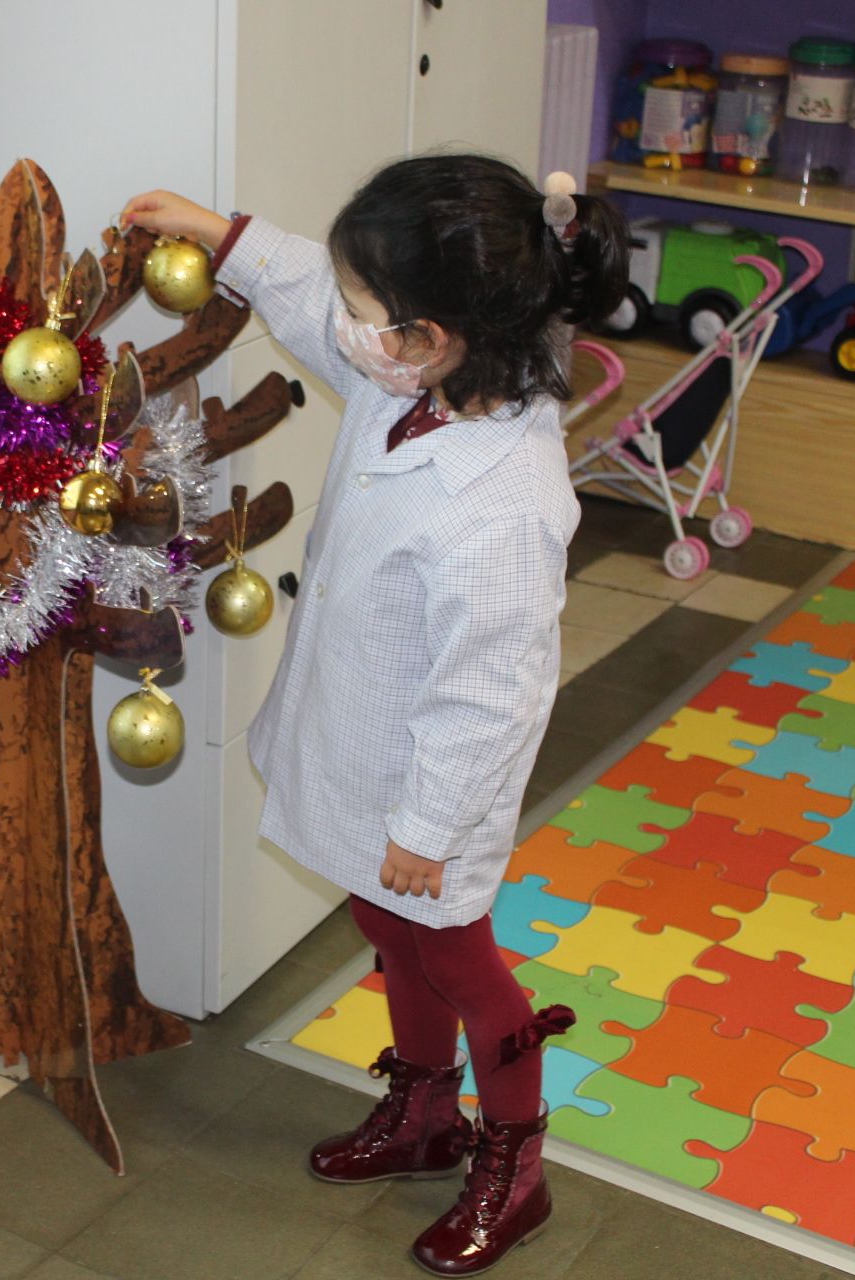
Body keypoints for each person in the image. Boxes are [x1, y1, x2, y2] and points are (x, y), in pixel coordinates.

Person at [120, 155, 628, 1276]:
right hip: (358, 739)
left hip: (426, 790)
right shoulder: (416, 383)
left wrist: (430, 823)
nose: (340, 324)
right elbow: (307, 287)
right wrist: (220, 230)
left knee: (459, 957)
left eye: (368, 313)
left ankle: (516, 1159)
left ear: (429, 335)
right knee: (387, 930)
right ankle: (427, 1109)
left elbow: (490, 692)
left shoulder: (502, 505)